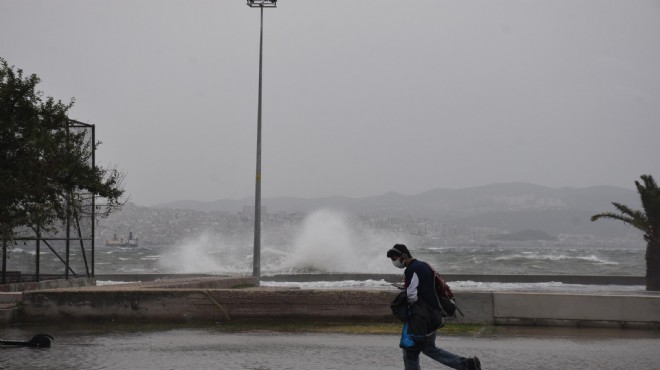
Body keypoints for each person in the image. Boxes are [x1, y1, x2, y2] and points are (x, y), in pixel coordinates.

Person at [387, 243, 482, 370]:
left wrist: (406, 300)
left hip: (421, 319)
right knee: (429, 348)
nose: (394, 262)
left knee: (410, 351)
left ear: (403, 256)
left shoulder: (411, 269)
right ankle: (467, 365)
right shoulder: (424, 265)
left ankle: (467, 365)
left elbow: (412, 295)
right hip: (433, 315)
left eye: (394, 259)